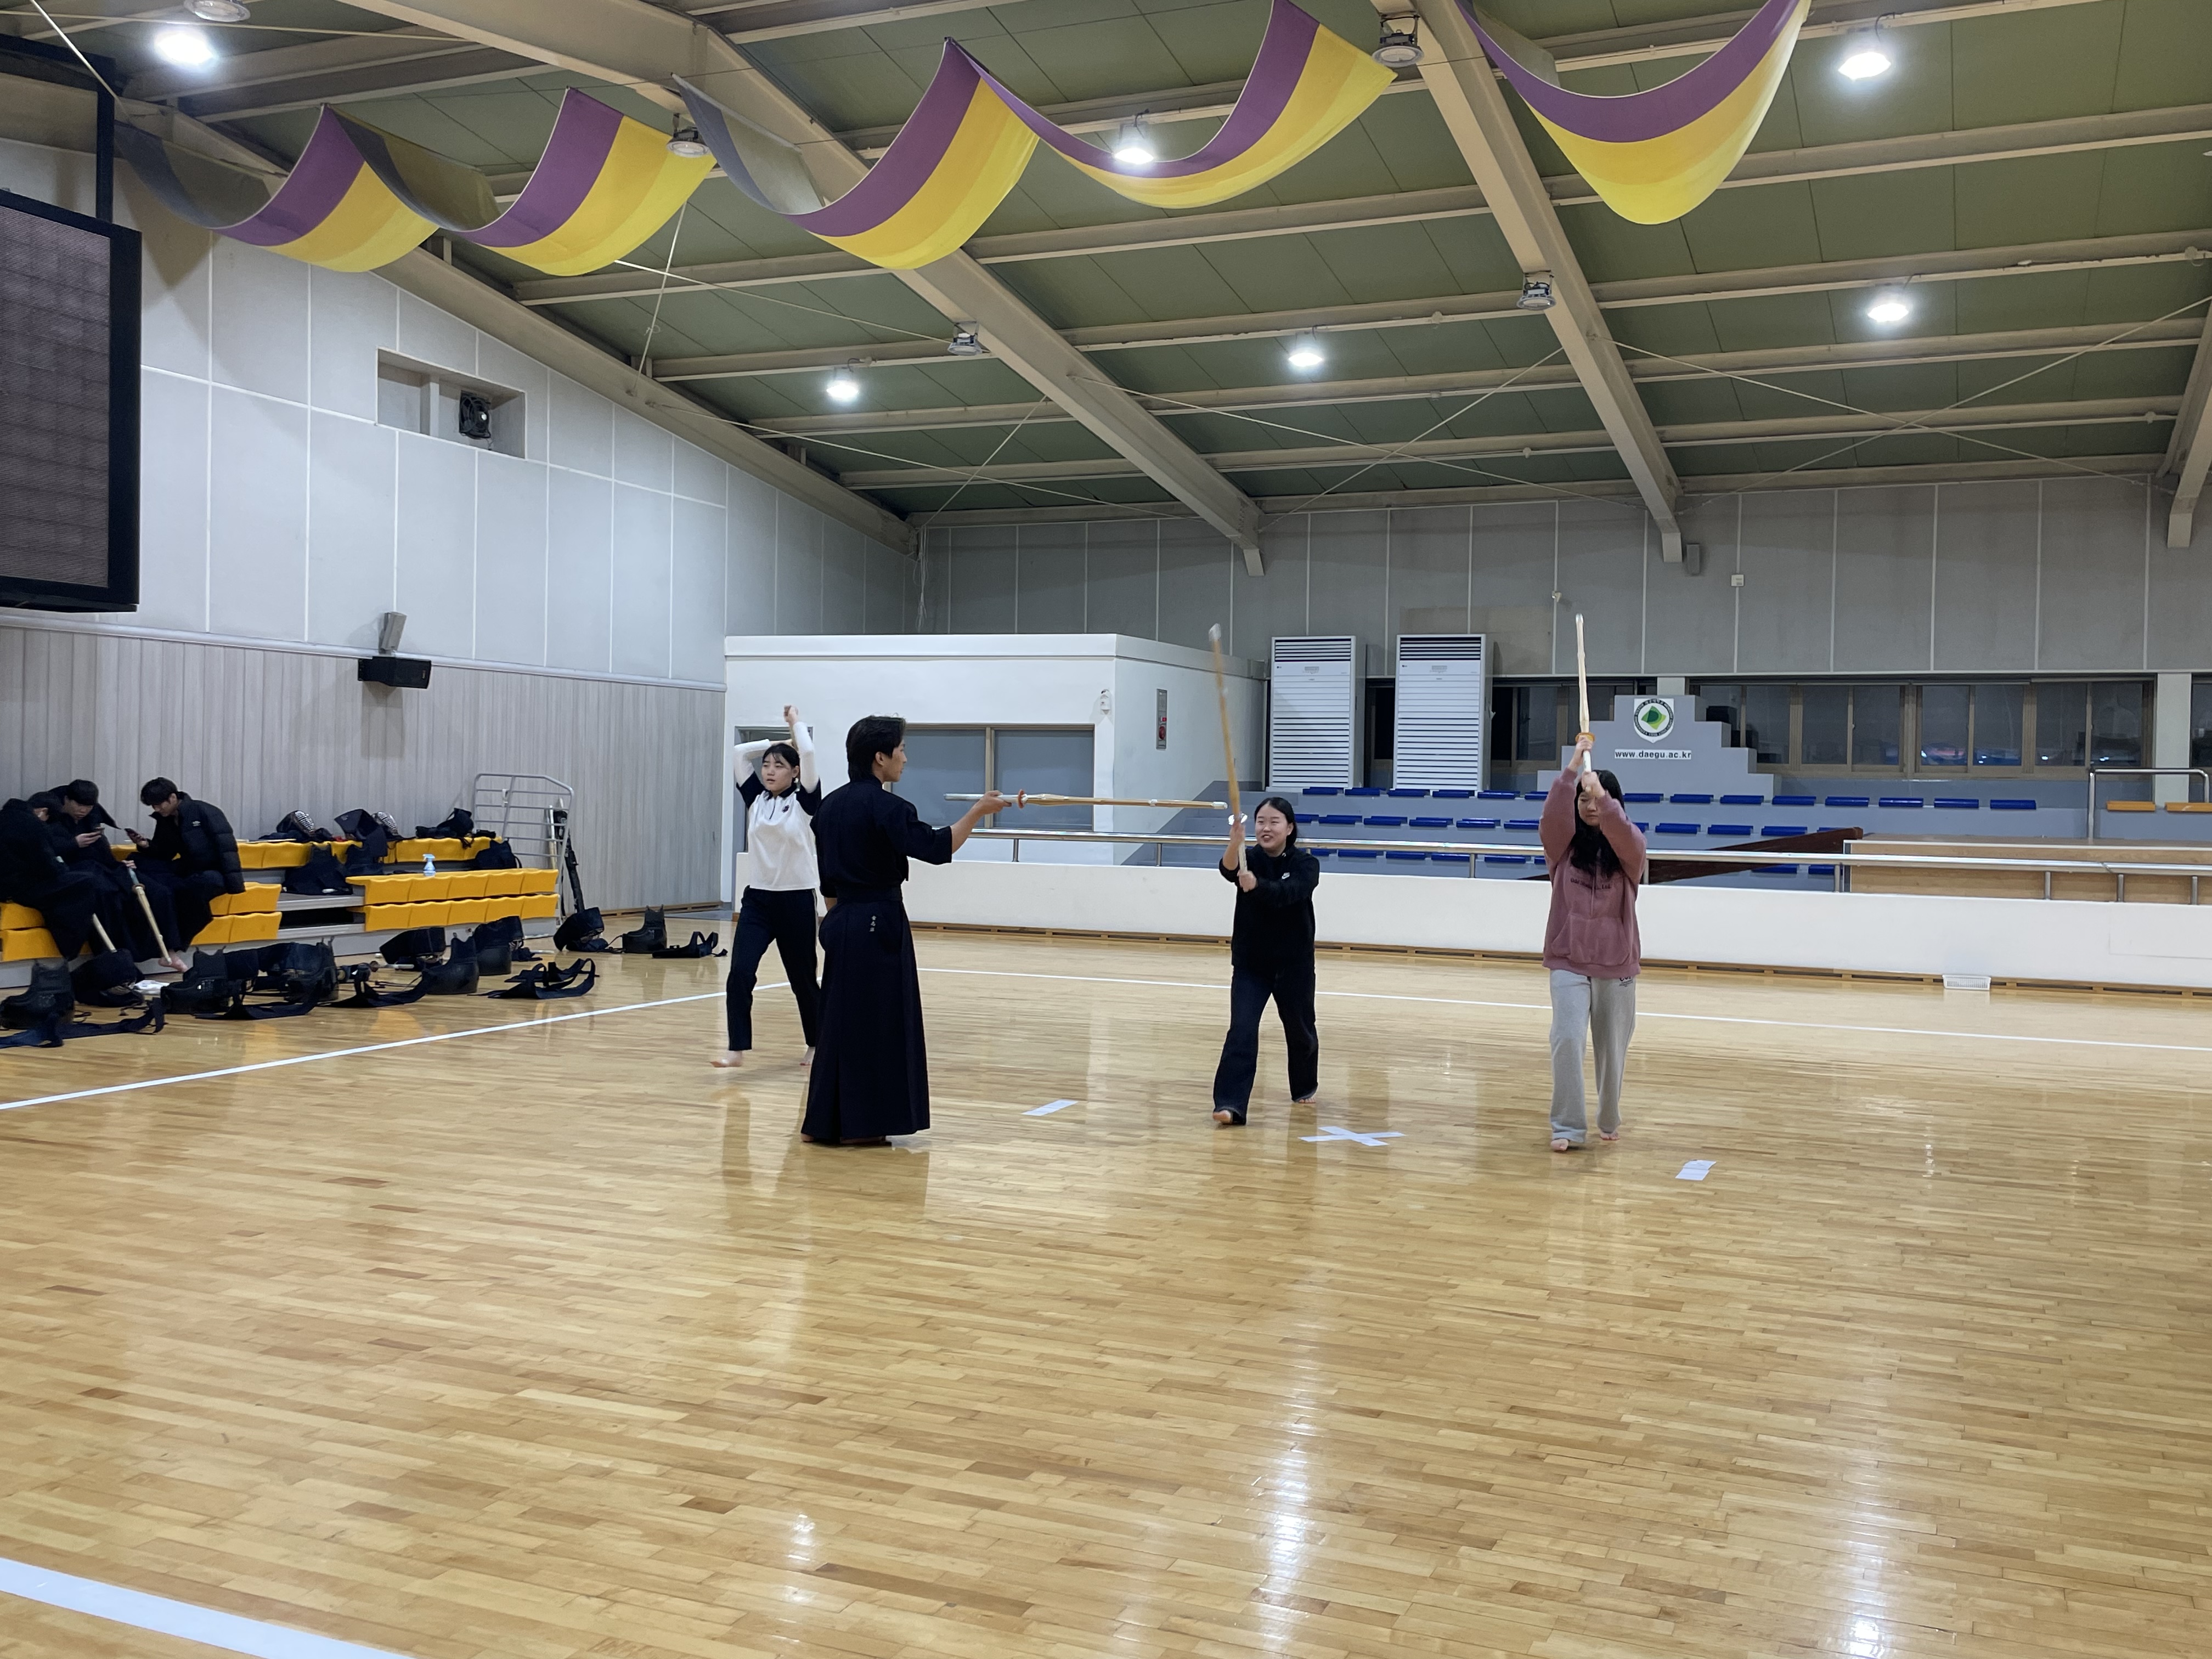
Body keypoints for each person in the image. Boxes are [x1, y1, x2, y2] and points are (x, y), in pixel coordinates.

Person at [800, 715, 1005, 1147]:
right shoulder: (888, 808)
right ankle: (864, 1125)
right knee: (878, 1023)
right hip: (879, 921)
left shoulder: (829, 808)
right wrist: (976, 813)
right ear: (880, 757)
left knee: (839, 1021)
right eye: (901, 749)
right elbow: (937, 846)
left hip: (840, 921)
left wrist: (837, 924)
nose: (905, 758)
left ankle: (825, 1122)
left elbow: (828, 882)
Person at [1539, 736, 1646, 1153]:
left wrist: (1601, 793)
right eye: (1583, 801)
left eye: (1598, 799)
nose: (1590, 806)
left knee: (1612, 1050)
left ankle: (1609, 1117)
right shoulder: (1562, 848)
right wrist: (1572, 770)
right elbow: (1552, 818)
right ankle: (1567, 1126)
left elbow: (1629, 839)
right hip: (1568, 959)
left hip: (1616, 964)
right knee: (1566, 1038)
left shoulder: (1630, 853)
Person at [715, 705, 824, 1070]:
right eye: (766, 765)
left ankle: (817, 1044)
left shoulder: (805, 802)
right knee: (740, 973)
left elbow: (808, 752)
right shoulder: (755, 799)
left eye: (779, 765)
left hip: (796, 901)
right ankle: (736, 1049)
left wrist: (796, 725)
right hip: (758, 902)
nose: (769, 771)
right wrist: (773, 744)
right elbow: (737, 753)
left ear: (795, 772)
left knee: (802, 980)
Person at [1210, 795, 1322, 1126]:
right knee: (1242, 1030)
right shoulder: (1249, 858)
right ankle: (1230, 1104)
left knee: (1301, 1030)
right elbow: (1228, 870)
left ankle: (1304, 1085)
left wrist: (1257, 885)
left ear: (1289, 828)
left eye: (1274, 822)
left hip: (1294, 964)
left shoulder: (1306, 864)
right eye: (1261, 822)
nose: (1266, 828)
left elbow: (1287, 894)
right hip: (1252, 964)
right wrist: (1235, 844)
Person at [51, 780, 184, 967]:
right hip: (79, 872)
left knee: (160, 892)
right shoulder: (52, 821)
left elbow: (102, 851)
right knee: (111, 897)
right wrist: (74, 844)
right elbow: (44, 853)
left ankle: (169, 951)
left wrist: (118, 863)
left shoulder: (93, 819)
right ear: (67, 800)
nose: (83, 810)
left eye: (88, 807)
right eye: (79, 805)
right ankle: (118, 960)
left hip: (106, 868)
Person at [128, 777, 245, 951]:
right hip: (188, 868)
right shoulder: (165, 819)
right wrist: (145, 845)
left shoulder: (205, 811)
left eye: (159, 805)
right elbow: (165, 854)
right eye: (153, 806)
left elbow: (227, 848)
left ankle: (175, 941)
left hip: (213, 872)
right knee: (137, 860)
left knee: (196, 886)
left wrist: (235, 885)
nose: (157, 809)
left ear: (172, 798)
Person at [0, 793, 114, 962]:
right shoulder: (32, 825)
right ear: (43, 812)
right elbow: (47, 865)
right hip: (20, 887)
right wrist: (62, 869)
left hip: (7, 885)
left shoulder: (5, 816)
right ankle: (73, 947)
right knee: (87, 882)